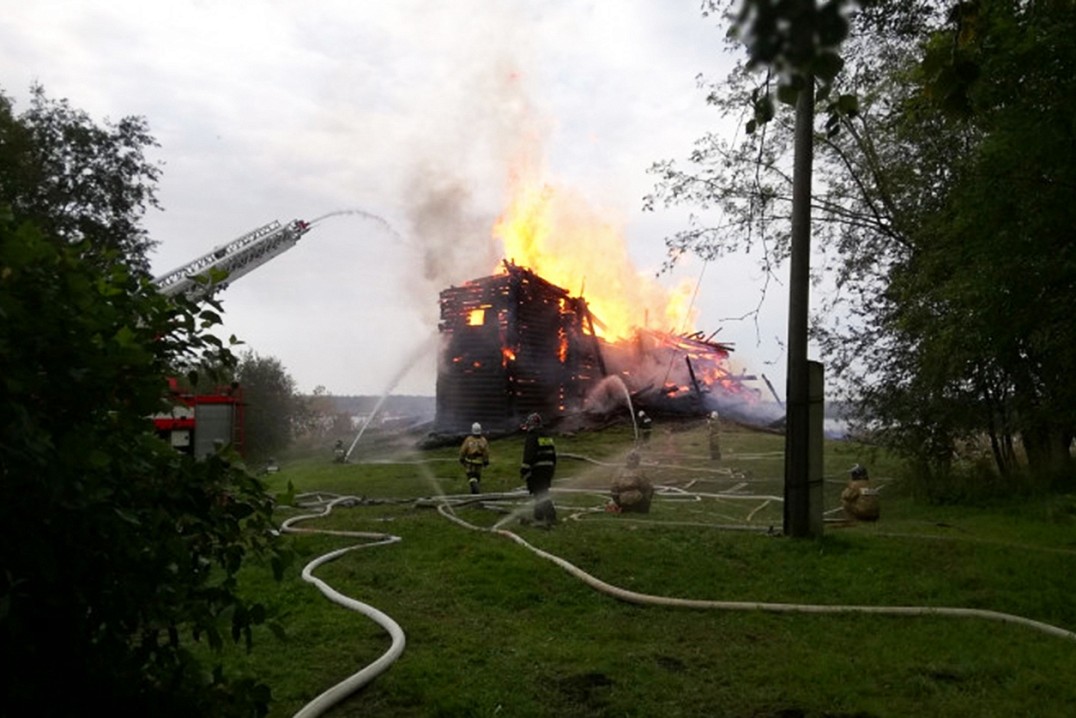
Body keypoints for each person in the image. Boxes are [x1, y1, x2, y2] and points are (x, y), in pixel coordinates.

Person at [520, 412, 557, 526]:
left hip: (537, 469)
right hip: (548, 469)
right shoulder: (547, 436)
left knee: (540, 493)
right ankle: (538, 515)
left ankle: (551, 516)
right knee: (540, 492)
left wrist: (524, 470)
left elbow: (529, 455)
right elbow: (553, 455)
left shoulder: (532, 436)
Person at [458, 422, 490, 494]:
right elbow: (486, 452)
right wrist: (486, 461)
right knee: (477, 476)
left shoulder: (469, 440)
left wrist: (461, 458)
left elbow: (463, 450)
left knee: (470, 476)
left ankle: (474, 490)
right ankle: (475, 489)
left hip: (470, 461)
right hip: (479, 462)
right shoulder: (483, 440)